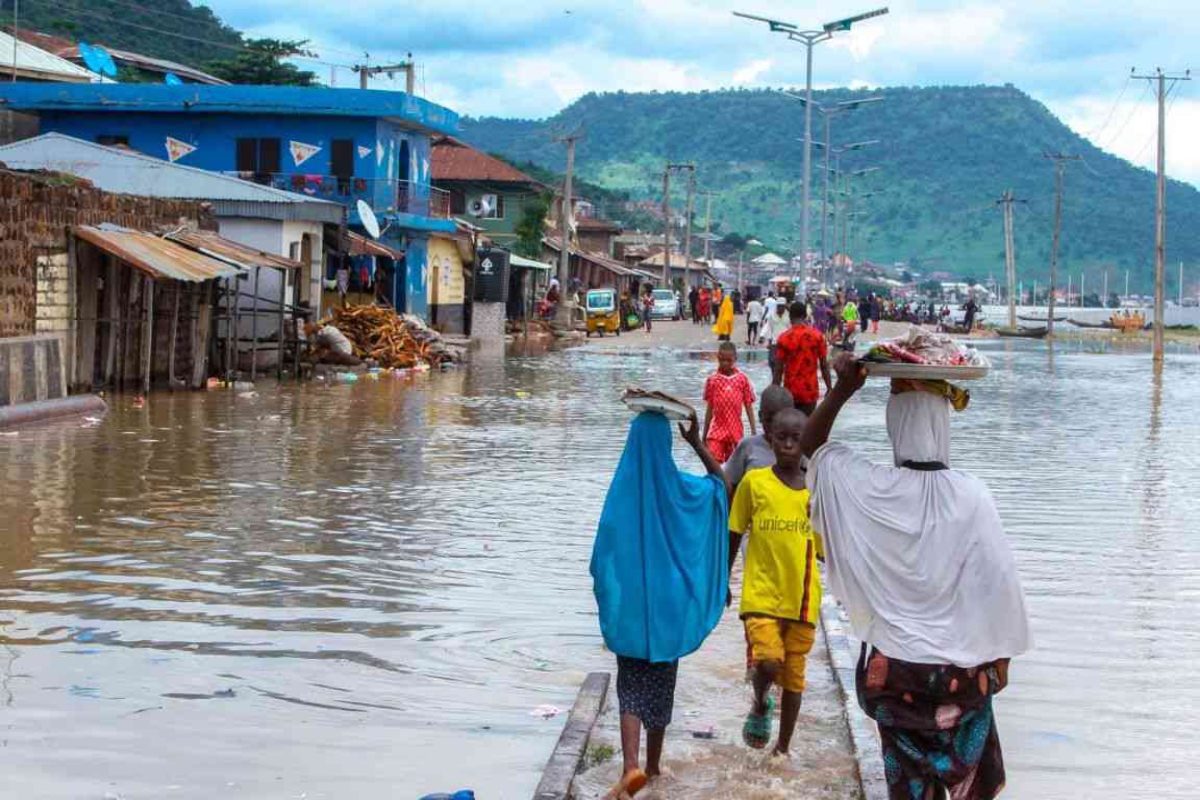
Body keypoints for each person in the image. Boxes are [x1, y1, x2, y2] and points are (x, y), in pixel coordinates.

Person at [800, 356, 1032, 800]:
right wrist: (1000, 663)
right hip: (961, 682)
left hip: (893, 681)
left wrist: (843, 390)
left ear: (893, 424)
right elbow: (999, 583)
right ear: (943, 424)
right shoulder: (973, 497)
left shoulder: (864, 487)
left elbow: (808, 451)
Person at [591, 412, 731, 798]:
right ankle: (653, 766)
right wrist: (698, 444)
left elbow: (604, 553)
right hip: (670, 607)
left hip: (633, 610)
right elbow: (723, 488)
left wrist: (612, 596)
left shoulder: (623, 488)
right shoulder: (682, 488)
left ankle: (631, 767)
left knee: (630, 690)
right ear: (667, 445)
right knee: (661, 686)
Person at [727, 407, 823, 757]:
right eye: (780, 437)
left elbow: (827, 549)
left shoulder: (814, 491)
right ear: (769, 438)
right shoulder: (755, 483)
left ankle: (782, 748)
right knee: (769, 661)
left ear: (805, 443)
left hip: (802, 597)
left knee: (795, 677)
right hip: (761, 594)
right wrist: (723, 579)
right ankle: (760, 699)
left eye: (795, 438)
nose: (786, 444)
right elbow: (735, 531)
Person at [772, 301, 832, 416]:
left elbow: (778, 369)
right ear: (805, 316)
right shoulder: (817, 336)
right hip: (810, 391)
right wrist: (829, 388)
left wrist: (774, 392)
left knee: (791, 429)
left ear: (790, 317)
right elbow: (824, 365)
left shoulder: (783, 338)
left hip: (789, 393)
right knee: (807, 429)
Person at [702, 342, 756, 464]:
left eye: (729, 360)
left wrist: (753, 431)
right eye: (722, 360)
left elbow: (748, 406)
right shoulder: (713, 380)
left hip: (735, 432)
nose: (725, 363)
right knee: (712, 465)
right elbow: (709, 409)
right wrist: (704, 434)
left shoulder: (742, 379)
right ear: (718, 358)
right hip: (716, 432)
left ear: (735, 359)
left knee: (735, 468)